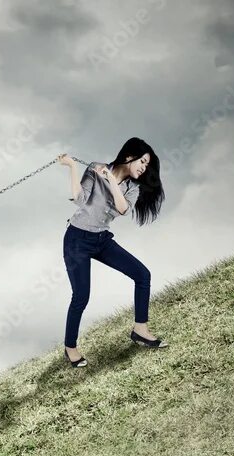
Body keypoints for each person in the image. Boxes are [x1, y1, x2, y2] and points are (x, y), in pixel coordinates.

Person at [56, 137, 167, 368]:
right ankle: (70, 348)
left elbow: (122, 209)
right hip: (77, 239)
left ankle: (140, 329)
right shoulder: (96, 168)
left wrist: (111, 180)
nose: (143, 168)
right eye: (142, 162)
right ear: (129, 157)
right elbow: (80, 199)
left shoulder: (132, 188)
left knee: (142, 275)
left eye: (146, 165)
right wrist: (73, 167)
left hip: (101, 240)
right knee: (81, 296)